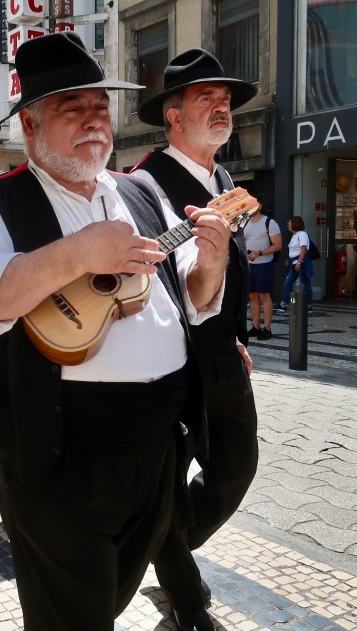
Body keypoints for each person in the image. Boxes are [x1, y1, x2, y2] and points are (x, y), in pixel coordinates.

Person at [0, 32, 231, 631]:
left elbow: (193, 302)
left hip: (159, 445)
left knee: (107, 600)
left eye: (100, 106)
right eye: (71, 109)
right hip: (61, 452)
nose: (93, 121)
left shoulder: (141, 192)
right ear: (30, 124)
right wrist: (78, 253)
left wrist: (210, 264)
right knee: (72, 619)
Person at [133, 47, 259, 631]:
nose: (222, 106)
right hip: (168, 360)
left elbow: (226, 269)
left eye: (225, 99)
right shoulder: (142, 183)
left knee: (235, 469)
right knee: (166, 478)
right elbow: (160, 279)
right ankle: (186, 596)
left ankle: (166, 546)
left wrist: (234, 334)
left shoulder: (224, 178)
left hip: (219, 355)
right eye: (206, 97)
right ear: (173, 116)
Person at [243, 196, 282, 340]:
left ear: (259, 205)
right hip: (248, 264)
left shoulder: (269, 223)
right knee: (252, 296)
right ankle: (256, 326)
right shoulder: (245, 222)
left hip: (263, 264)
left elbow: (278, 245)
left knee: (264, 296)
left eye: (253, 204)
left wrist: (259, 253)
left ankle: (267, 328)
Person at [273, 216, 314, 313]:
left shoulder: (302, 234)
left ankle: (308, 305)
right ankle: (283, 304)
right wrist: (290, 259)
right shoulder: (294, 235)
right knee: (287, 283)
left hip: (301, 264)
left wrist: (299, 262)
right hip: (294, 263)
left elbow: (303, 249)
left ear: (295, 224)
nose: (288, 224)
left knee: (306, 284)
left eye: (289, 223)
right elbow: (295, 250)